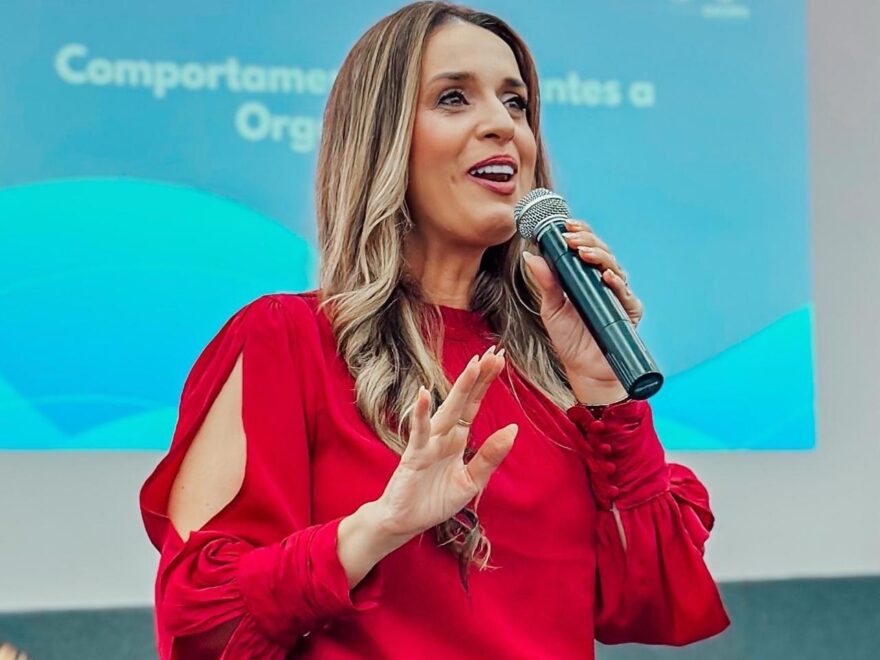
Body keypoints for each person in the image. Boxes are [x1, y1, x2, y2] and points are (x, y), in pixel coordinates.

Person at [140, 2, 730, 658]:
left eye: (516, 103)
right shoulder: (285, 340)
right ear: (383, 139)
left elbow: (654, 600)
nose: (502, 125)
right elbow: (203, 625)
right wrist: (378, 528)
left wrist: (602, 386)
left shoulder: (561, 371)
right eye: (454, 97)